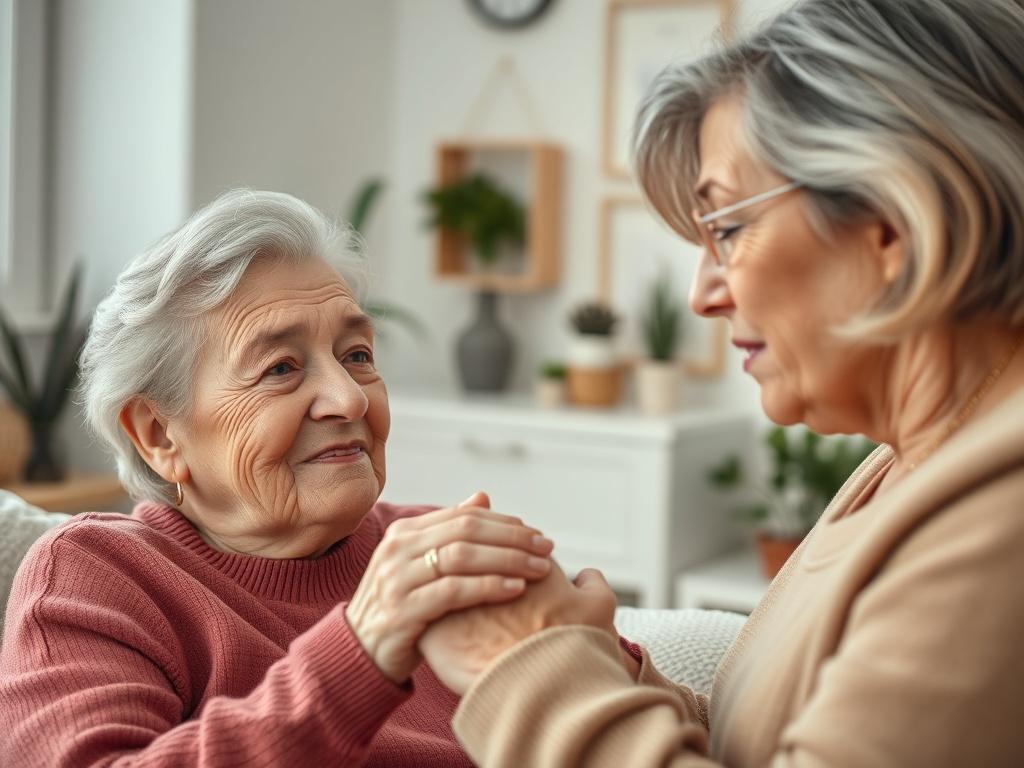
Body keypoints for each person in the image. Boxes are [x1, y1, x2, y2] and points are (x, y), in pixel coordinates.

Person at [418, 0, 1024, 764]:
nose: (705, 292)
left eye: (728, 230)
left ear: (892, 221)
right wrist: (595, 659)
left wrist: (529, 666)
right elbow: (766, 742)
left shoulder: (1002, 502)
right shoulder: (907, 464)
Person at [0, 190, 561, 766]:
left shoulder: (433, 553)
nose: (347, 399)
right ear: (159, 435)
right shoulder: (99, 578)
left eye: (358, 355)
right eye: (281, 368)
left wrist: (598, 659)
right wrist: (360, 652)